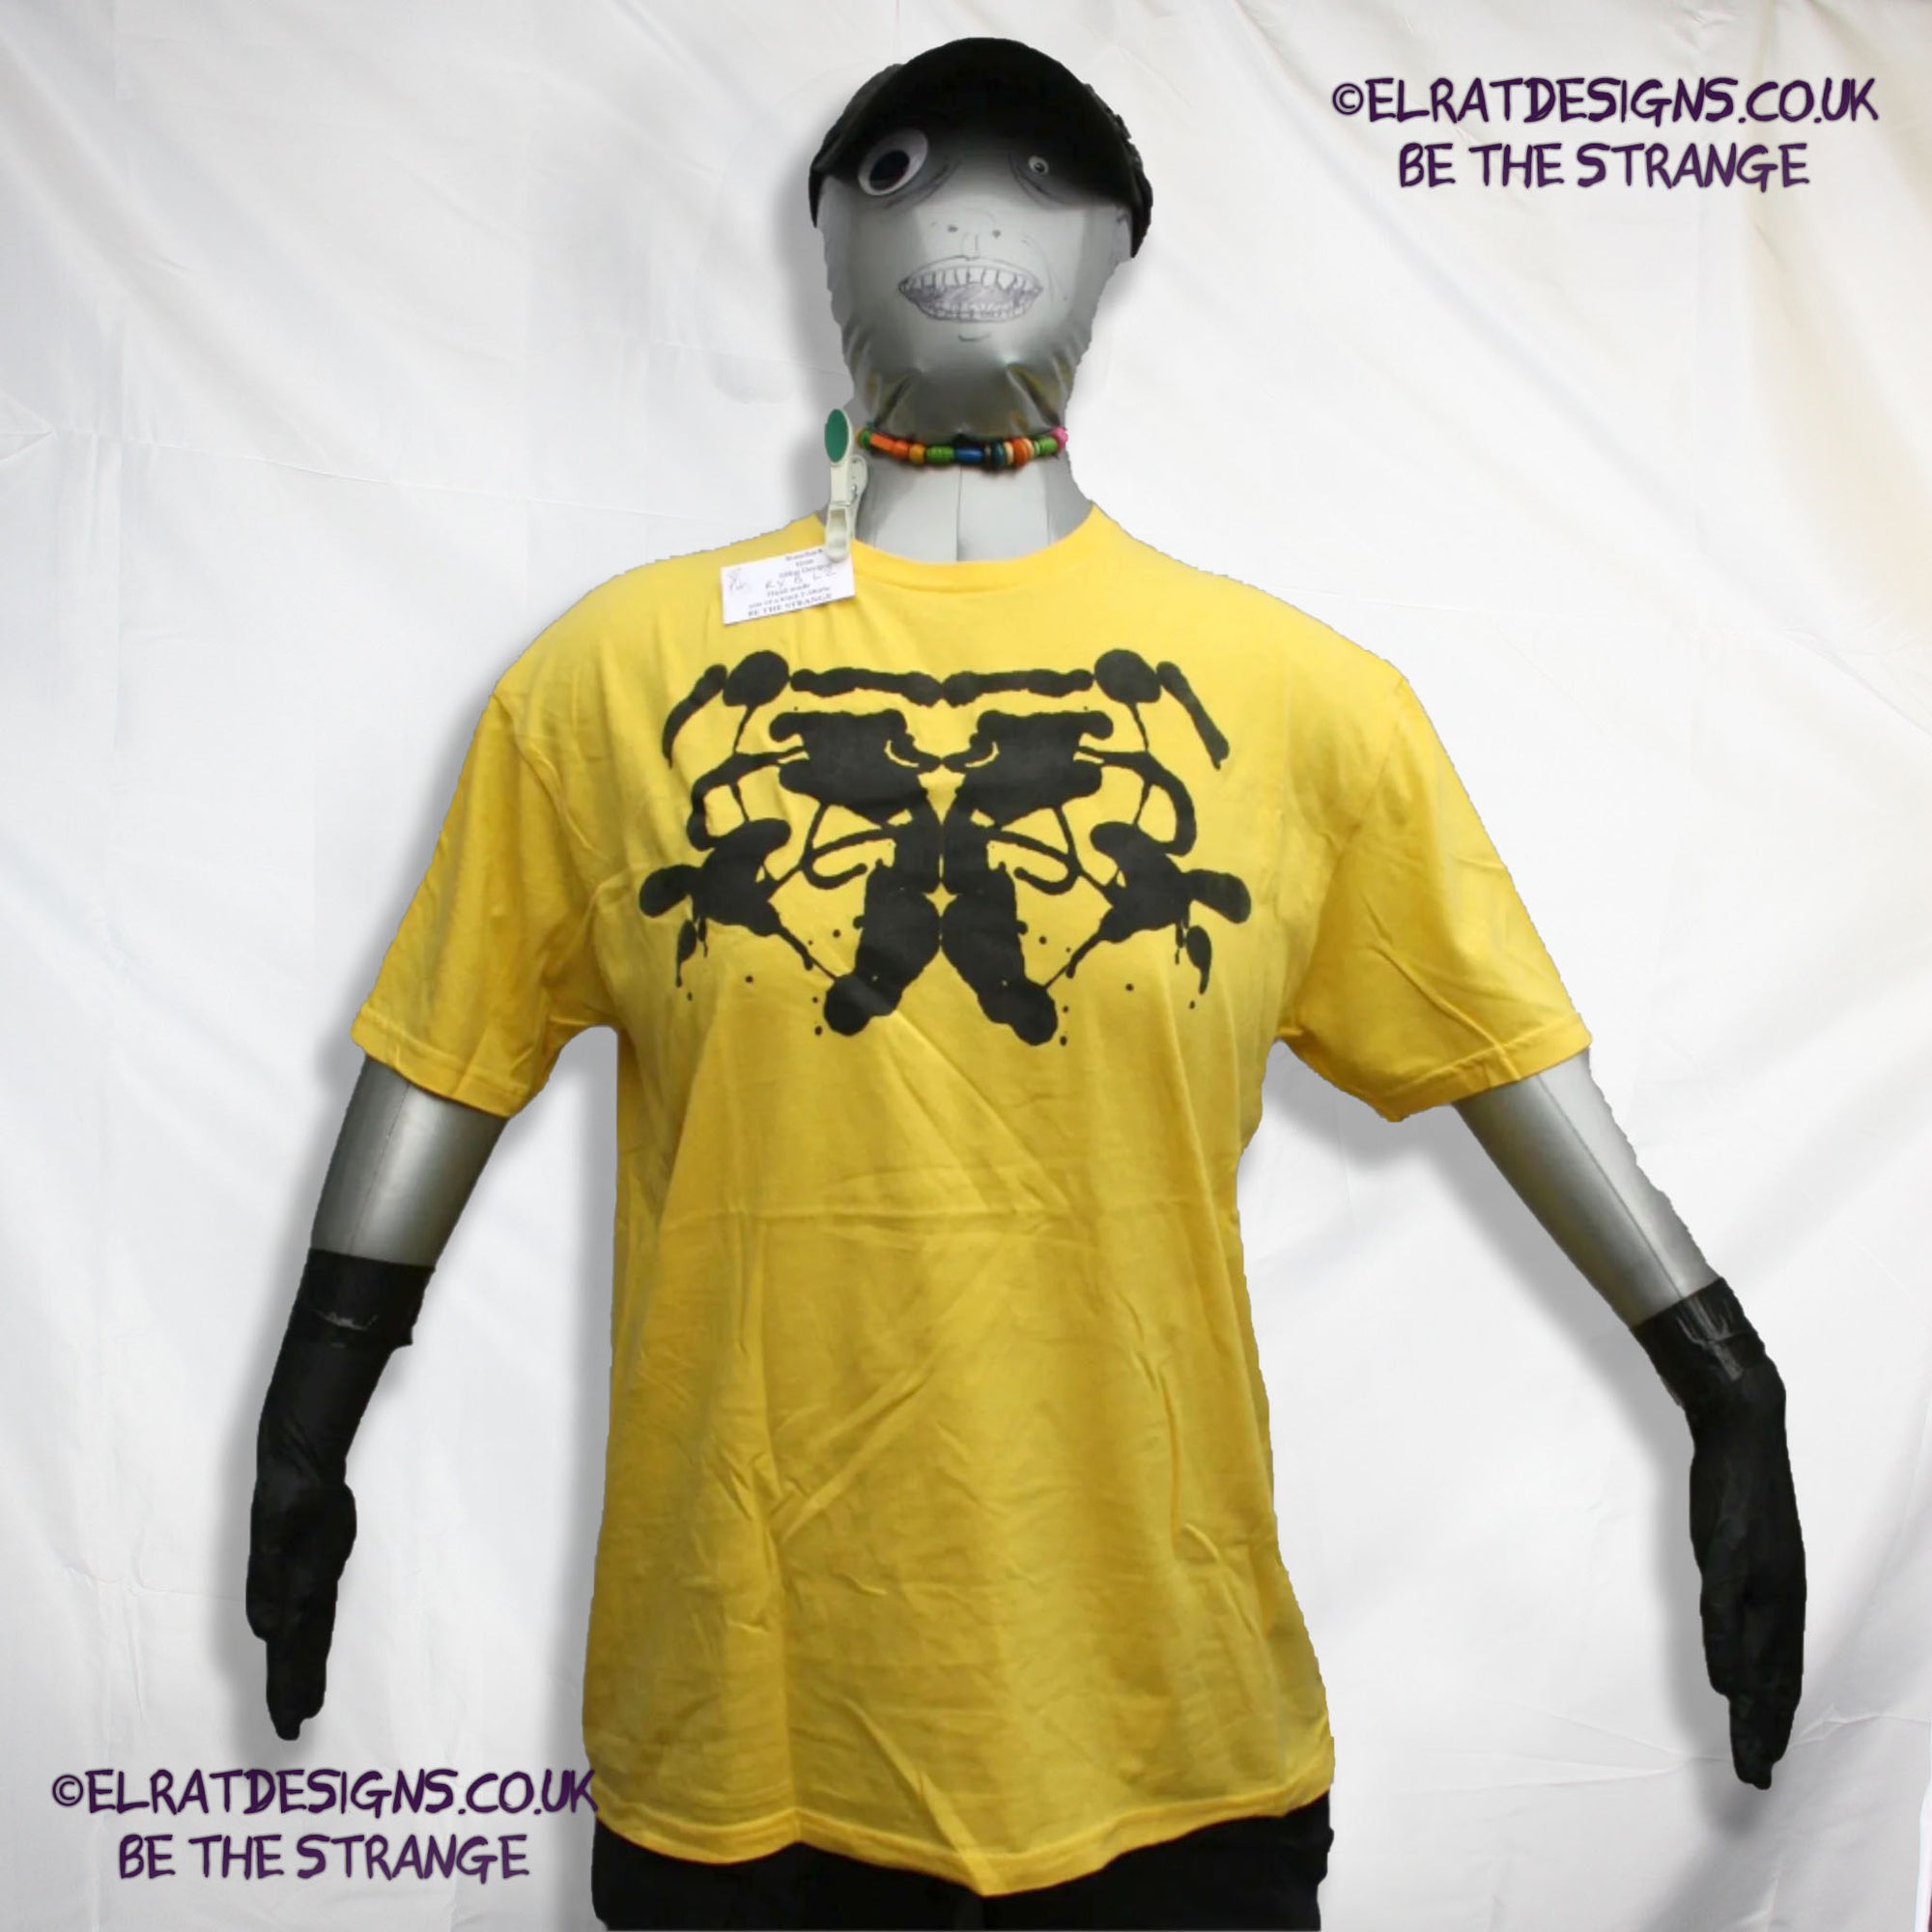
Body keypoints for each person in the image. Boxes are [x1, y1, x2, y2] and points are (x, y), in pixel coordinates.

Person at [246, 38, 1805, 1931]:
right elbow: (446, 1061)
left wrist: (1723, 1382)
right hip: (748, 1735)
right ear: (828, 237)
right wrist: (309, 1416)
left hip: (1166, 1737)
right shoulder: (610, 680)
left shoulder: (1303, 705)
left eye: (1045, 177)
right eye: (909, 170)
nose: (980, 214)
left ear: (1114, 255)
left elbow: (1505, 1056)